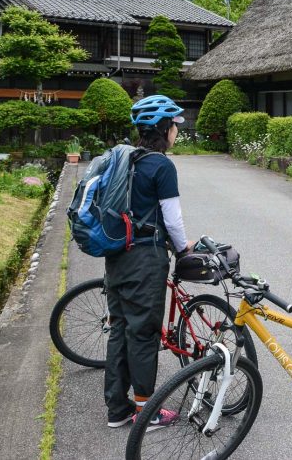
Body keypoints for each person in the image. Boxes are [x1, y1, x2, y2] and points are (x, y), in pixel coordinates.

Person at [105, 95, 195, 429]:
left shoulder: (125, 158)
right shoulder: (161, 165)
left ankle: (117, 409)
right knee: (143, 334)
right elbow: (172, 219)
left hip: (116, 256)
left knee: (120, 329)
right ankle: (146, 410)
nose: (176, 132)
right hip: (144, 258)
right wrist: (184, 248)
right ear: (164, 127)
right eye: (174, 125)